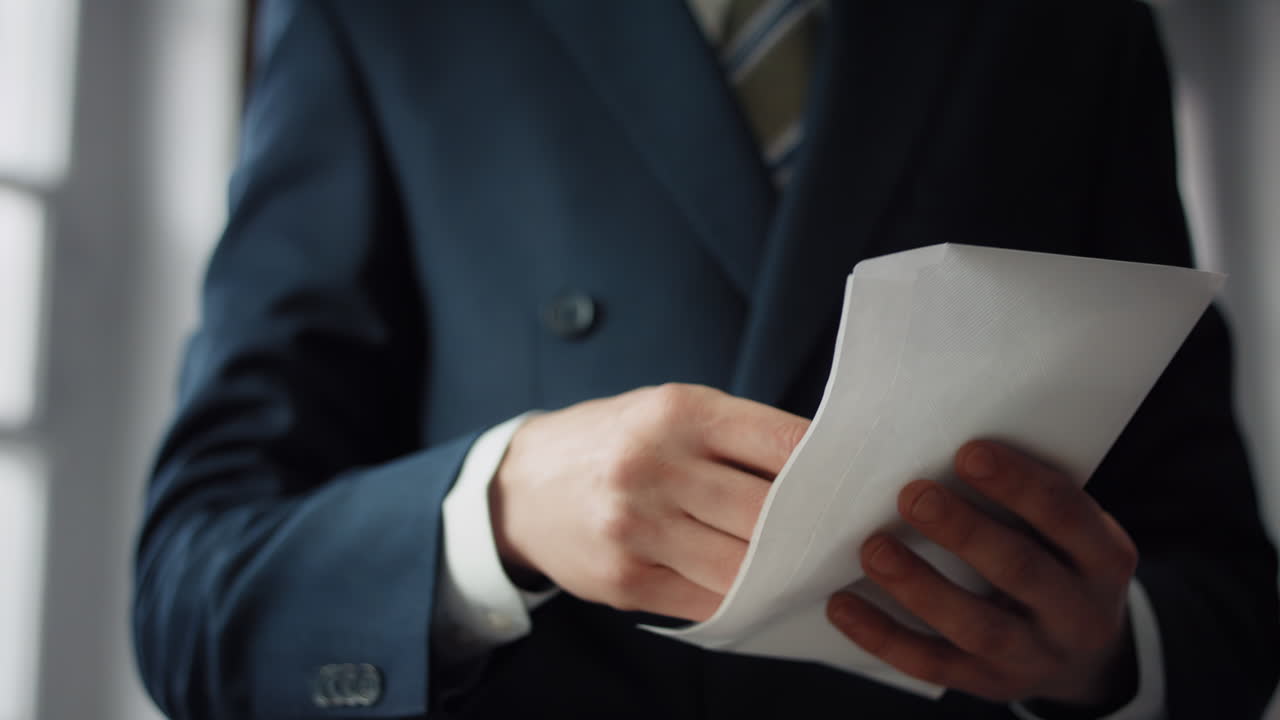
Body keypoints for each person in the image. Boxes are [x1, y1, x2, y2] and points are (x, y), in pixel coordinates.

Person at [132, 1, 1280, 718]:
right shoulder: (380, 16)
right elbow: (194, 601)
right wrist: (500, 507)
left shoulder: (1068, 25)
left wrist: (1100, 658)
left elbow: (1225, 600)